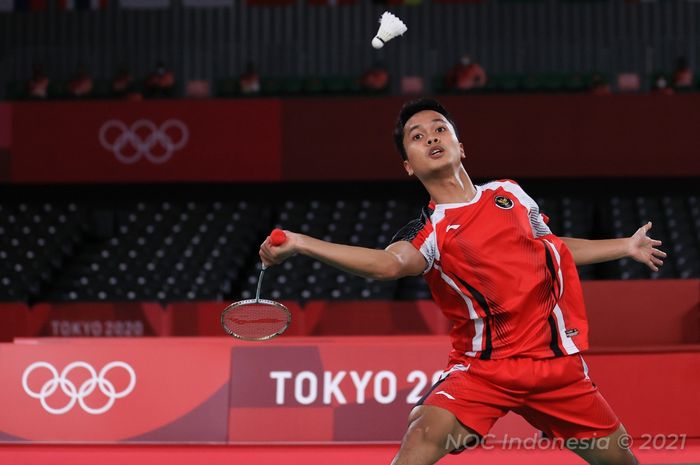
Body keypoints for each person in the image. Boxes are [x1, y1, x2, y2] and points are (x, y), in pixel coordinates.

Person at [260, 99, 667, 465]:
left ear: (461, 145)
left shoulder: (511, 194)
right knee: (422, 436)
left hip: (557, 368)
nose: (431, 138)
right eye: (417, 137)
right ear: (408, 164)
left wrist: (625, 247)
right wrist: (300, 242)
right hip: (482, 371)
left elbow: (553, 248)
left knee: (622, 463)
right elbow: (385, 265)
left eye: (440, 129)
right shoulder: (429, 231)